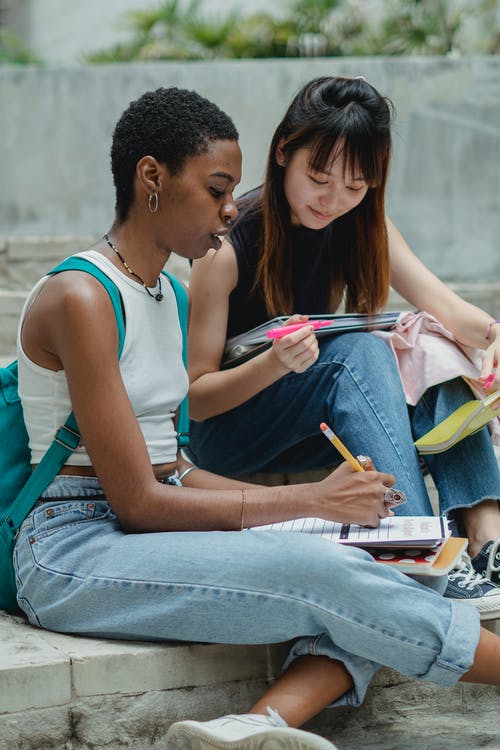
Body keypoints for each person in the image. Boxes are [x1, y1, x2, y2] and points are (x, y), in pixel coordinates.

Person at [12, 85, 500, 750]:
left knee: (373, 571)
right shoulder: (82, 297)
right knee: (330, 576)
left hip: (152, 518)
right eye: (217, 189)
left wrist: (321, 516)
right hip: (71, 546)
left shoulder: (165, 297)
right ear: (151, 178)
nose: (229, 210)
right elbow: (136, 500)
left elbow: (175, 468)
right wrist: (312, 501)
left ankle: (252, 728)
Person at [186, 75, 500, 616]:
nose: (333, 201)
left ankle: (487, 540)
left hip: (316, 422)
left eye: (356, 187)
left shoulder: (361, 223)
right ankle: (422, 551)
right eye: (319, 178)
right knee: (361, 352)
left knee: (431, 345)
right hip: (231, 434)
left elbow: (450, 308)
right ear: (284, 152)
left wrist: (491, 342)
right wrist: (275, 365)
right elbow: (195, 399)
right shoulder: (226, 247)